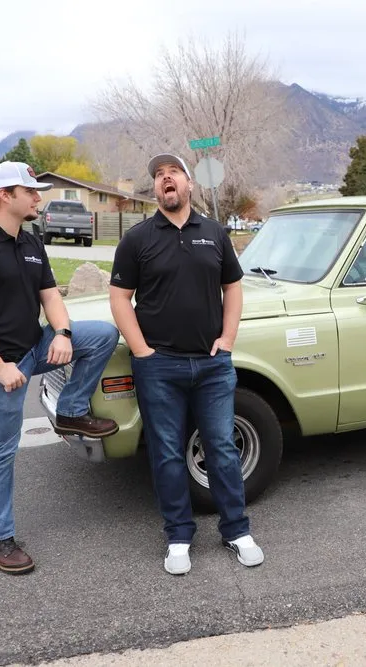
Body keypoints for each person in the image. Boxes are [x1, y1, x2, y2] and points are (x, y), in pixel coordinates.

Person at [0, 161, 121, 575]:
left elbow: (50, 295)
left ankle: (71, 411)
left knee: (100, 335)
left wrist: (61, 332)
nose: (38, 198)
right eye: (31, 192)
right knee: (2, 454)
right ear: (5, 195)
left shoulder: (30, 241)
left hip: (35, 345)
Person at [108, 152, 263, 575]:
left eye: (173, 172)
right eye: (158, 175)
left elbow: (233, 287)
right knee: (167, 455)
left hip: (212, 366)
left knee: (223, 450)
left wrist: (227, 339)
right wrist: (140, 349)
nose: (165, 179)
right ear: (156, 189)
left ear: (189, 184)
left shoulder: (214, 234)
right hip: (159, 367)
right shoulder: (137, 239)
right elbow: (119, 298)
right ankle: (178, 536)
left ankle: (236, 530)